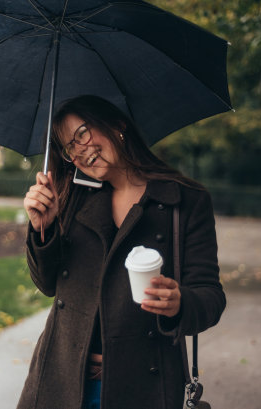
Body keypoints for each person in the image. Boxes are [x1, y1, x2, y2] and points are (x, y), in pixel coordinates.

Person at [18, 95, 225, 409]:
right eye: (68, 147)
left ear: (118, 125)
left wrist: (180, 303)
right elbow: (48, 285)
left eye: (83, 133)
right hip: (60, 384)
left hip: (144, 386)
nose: (79, 151)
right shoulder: (71, 197)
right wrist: (42, 229)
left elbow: (210, 297)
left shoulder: (185, 200)